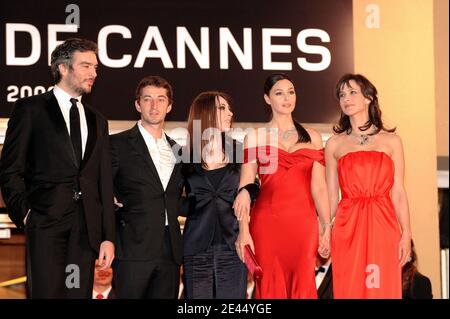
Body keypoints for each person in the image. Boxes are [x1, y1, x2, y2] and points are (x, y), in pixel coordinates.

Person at [0, 38, 115, 298]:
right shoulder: (31, 109)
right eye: (86, 66)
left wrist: (108, 235)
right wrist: (27, 214)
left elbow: (103, 181)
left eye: (96, 67)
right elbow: (10, 169)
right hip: (45, 224)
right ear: (63, 68)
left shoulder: (98, 120)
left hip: (86, 230)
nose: (94, 73)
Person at [234, 73, 331, 298]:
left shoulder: (313, 137)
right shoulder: (255, 137)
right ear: (267, 99)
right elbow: (245, 187)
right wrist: (243, 231)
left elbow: (320, 189)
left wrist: (326, 226)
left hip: (304, 225)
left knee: (303, 283)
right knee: (269, 284)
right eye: (279, 93)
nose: (287, 98)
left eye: (291, 92)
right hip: (267, 224)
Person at [325, 73, 412, 298]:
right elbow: (332, 196)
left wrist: (406, 233)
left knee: (381, 287)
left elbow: (399, 192)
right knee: (349, 288)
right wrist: (324, 229)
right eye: (342, 94)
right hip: (347, 224)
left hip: (383, 222)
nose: (346, 98)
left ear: (369, 97)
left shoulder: (391, 141)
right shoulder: (334, 143)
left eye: (353, 92)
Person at [110, 75, 184, 298]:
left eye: (161, 99)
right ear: (137, 104)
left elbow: (176, 199)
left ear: (169, 106)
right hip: (131, 248)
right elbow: (98, 188)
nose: (154, 105)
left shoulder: (179, 150)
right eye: (148, 99)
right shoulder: (116, 144)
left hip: (170, 251)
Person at [181, 91, 251, 299]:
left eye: (229, 108)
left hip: (234, 245)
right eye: (222, 108)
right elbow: (173, 200)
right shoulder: (184, 158)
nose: (230, 113)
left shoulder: (241, 152)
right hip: (196, 249)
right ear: (205, 114)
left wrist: (247, 191)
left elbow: (253, 188)